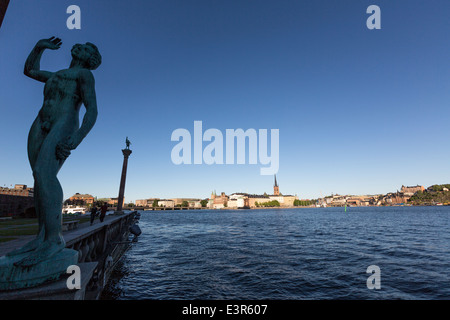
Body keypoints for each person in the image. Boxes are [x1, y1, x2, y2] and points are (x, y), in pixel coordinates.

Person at [7, 37, 101, 267]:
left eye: (87, 48)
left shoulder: (84, 75)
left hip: (65, 121)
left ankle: (53, 239)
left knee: (44, 173)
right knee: (39, 179)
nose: (82, 45)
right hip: (41, 121)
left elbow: (92, 110)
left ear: (89, 58)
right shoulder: (56, 74)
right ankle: (40, 238)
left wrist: (76, 138)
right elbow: (29, 70)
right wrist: (39, 46)